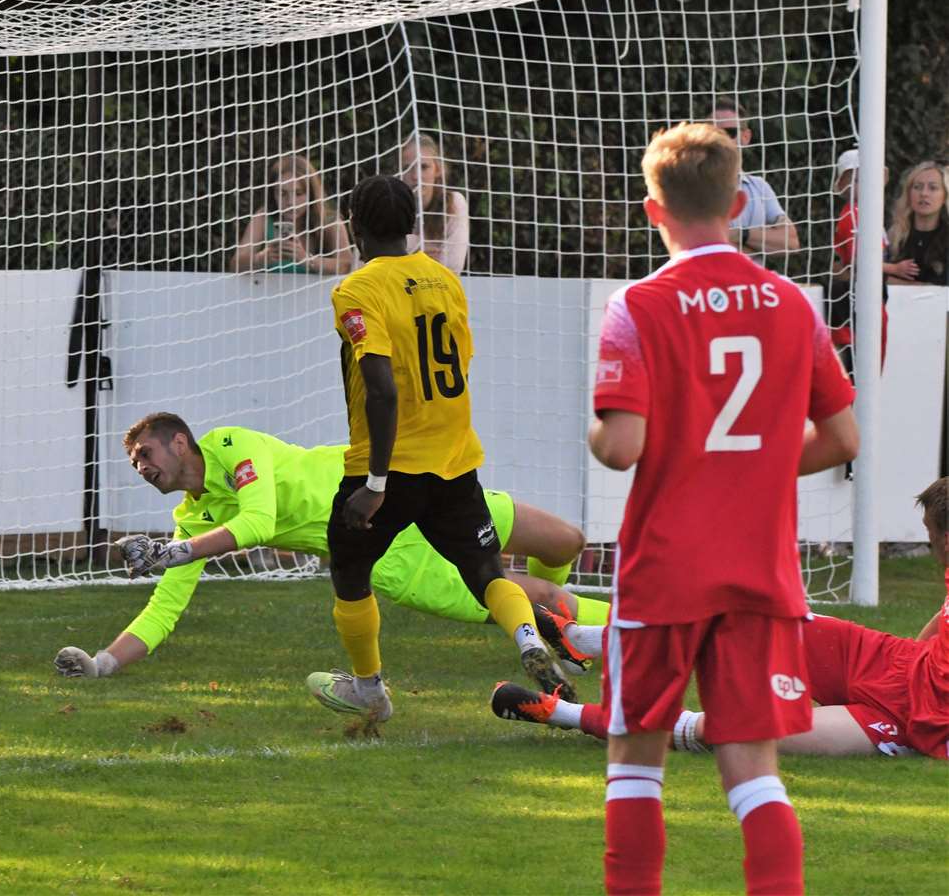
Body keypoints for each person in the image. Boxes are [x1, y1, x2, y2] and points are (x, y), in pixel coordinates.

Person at [588, 122, 858, 895]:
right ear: (739, 202)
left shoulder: (638, 305)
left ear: (653, 210)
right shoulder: (792, 305)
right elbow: (842, 435)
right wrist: (763, 469)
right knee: (754, 775)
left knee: (636, 765)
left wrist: (596, 427)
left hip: (665, 570)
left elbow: (621, 448)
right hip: (759, 571)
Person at [303, 175, 571, 724]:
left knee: (350, 574)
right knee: (486, 568)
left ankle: (369, 690)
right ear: (410, 226)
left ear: (354, 224)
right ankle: (525, 637)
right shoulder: (445, 279)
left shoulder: (357, 289)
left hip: (391, 467)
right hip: (454, 461)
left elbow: (381, 387)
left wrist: (375, 485)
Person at [53, 414, 606, 679]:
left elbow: (259, 520)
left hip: (402, 491)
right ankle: (643, 631)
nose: (142, 469)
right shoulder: (192, 519)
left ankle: (569, 644)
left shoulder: (231, 445)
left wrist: (180, 551)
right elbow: (163, 610)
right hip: (388, 557)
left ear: (180, 442)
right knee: (540, 602)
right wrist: (100, 663)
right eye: (135, 465)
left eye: (147, 455)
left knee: (566, 539)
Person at [493, 479, 949, 761]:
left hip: (915, 719)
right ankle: (582, 639)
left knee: (734, 729)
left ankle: (561, 713)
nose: (931, 549)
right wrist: (917, 653)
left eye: (932, 539)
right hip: (895, 664)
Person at [708, 97, 801, 256]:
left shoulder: (759, 187)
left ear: (745, 137)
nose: (719, 139)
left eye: (729, 132)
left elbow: (790, 242)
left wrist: (741, 235)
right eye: (713, 132)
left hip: (753, 281)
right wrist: (760, 241)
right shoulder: (693, 185)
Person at [229, 154, 351, 274]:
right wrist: (261, 258)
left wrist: (306, 259)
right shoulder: (264, 217)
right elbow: (235, 265)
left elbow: (347, 266)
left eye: (298, 194)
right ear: (273, 194)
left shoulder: (329, 221)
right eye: (282, 193)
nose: (290, 202)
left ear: (312, 194)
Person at [828, 148, 889, 367]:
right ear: (842, 185)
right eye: (853, 179)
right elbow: (857, 261)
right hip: (854, 295)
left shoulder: (870, 212)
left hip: (871, 291)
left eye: (865, 177)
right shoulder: (852, 214)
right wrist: (895, 269)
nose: (861, 184)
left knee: (873, 359)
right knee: (859, 361)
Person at [398, 133, 470, 274]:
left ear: (437, 170)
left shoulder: (454, 203)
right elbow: (363, 264)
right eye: (408, 167)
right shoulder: (387, 206)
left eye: (424, 167)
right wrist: (416, 246)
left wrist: (400, 253)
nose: (415, 176)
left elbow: (452, 266)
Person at [885, 160, 949, 286]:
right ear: (909, 194)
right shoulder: (893, 234)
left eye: (933, 188)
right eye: (917, 187)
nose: (924, 194)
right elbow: (861, 273)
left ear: (944, 196)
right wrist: (913, 286)